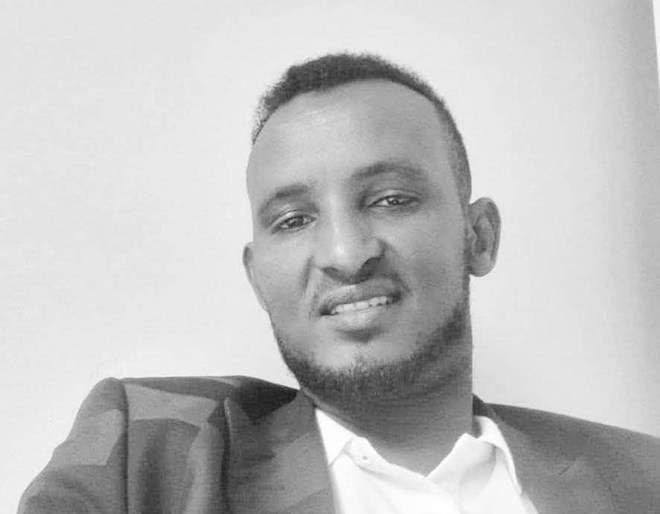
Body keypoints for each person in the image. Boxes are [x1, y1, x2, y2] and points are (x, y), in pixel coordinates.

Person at [19, 53, 660, 514]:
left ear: (479, 237)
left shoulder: (644, 478)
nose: (347, 255)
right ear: (257, 278)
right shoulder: (147, 450)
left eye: (390, 199)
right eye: (294, 220)